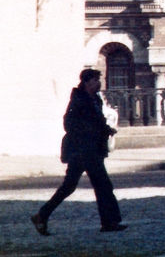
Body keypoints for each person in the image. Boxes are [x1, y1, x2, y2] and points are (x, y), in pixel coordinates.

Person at [31, 68, 126, 235]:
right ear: (87, 82)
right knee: (100, 185)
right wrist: (89, 132)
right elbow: (69, 123)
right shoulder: (78, 100)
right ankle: (109, 222)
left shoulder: (95, 99)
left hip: (91, 150)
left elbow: (97, 122)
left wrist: (106, 130)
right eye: (96, 80)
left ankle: (42, 215)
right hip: (81, 150)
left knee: (76, 186)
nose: (99, 83)